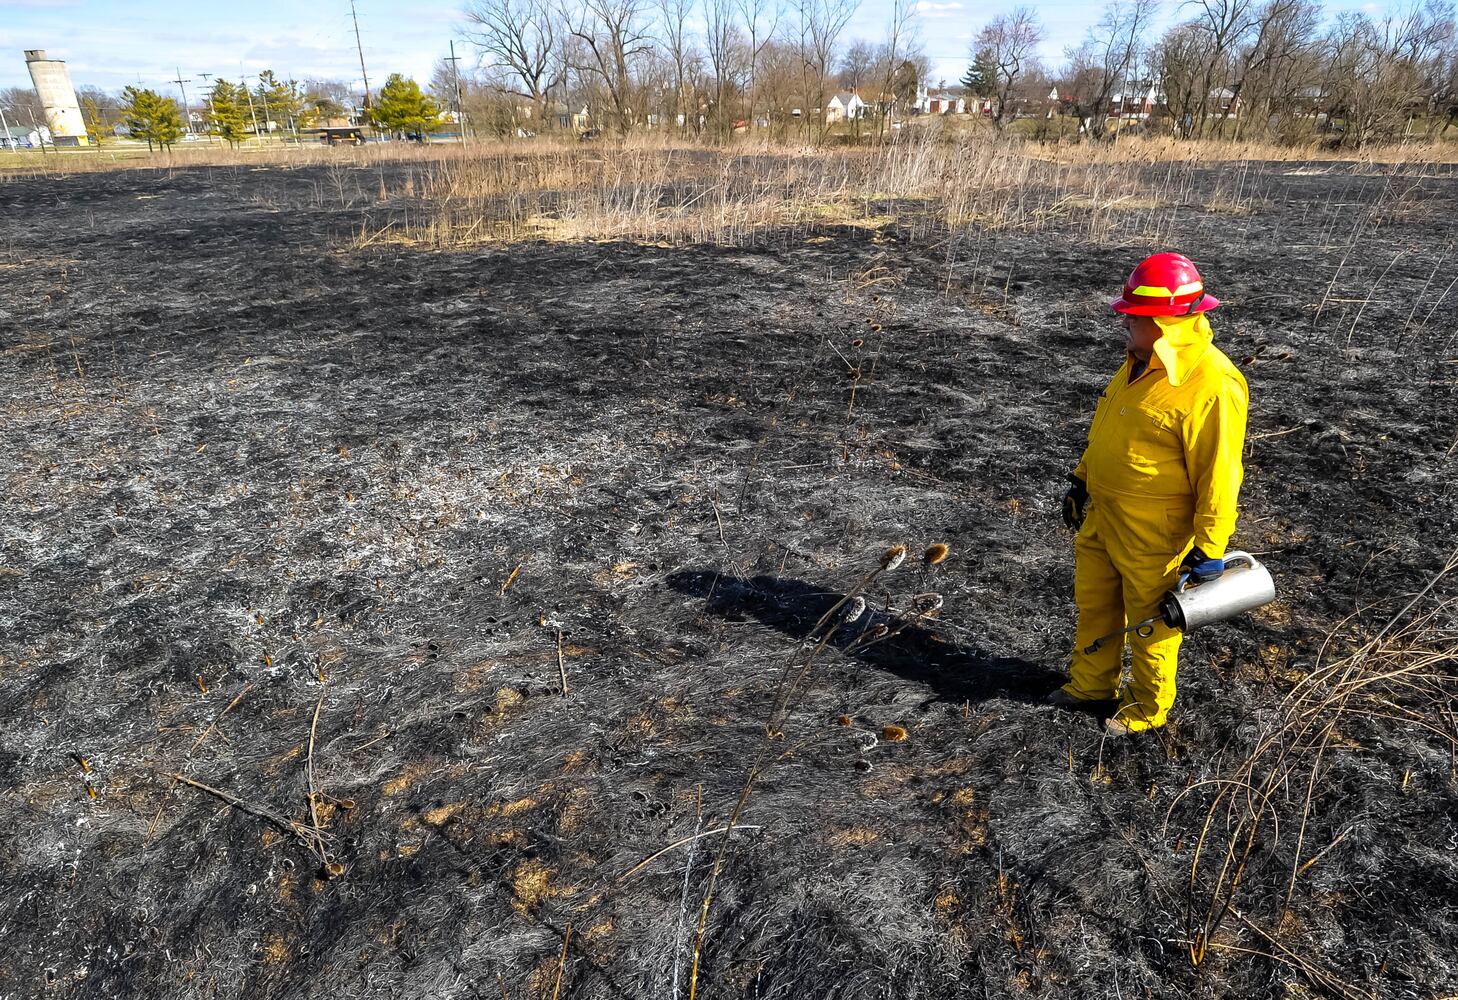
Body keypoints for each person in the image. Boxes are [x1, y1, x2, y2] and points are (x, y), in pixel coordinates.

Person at [1050, 252, 1249, 735]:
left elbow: (1220, 474)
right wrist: (1081, 479)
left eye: (1134, 319)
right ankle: (1090, 685)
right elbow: (1109, 428)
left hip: (1155, 532)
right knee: (1095, 602)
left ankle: (1144, 708)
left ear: (1165, 325)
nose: (1125, 326)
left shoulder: (1213, 385)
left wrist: (1210, 546)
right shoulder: (1138, 362)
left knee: (1149, 624)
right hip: (1104, 514)